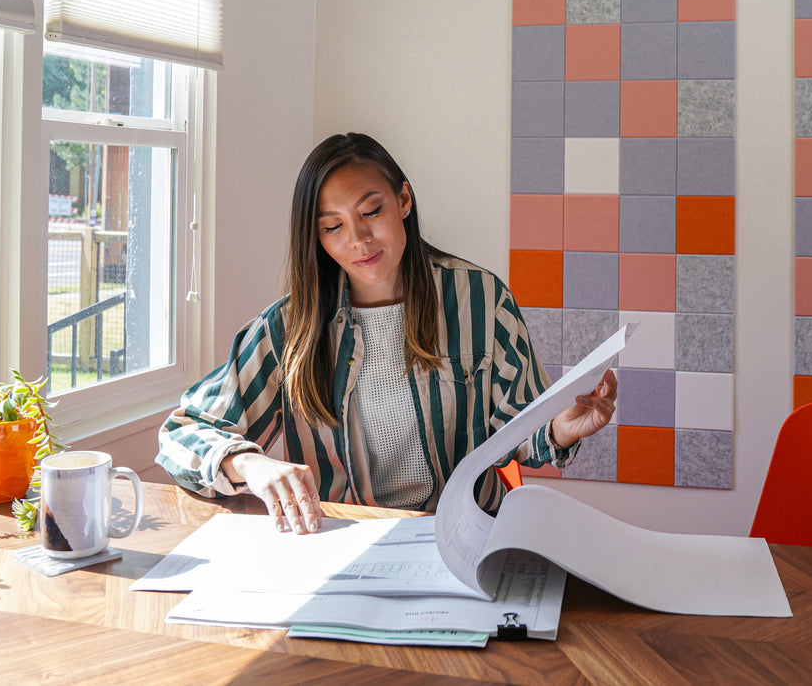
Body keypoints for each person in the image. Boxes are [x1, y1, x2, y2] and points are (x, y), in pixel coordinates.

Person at [157, 132, 617, 533]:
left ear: (403, 200)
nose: (358, 240)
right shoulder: (289, 327)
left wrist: (559, 429)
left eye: (371, 211)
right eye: (333, 227)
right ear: (316, 238)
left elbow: (516, 429)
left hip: (468, 530)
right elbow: (182, 432)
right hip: (345, 539)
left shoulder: (480, 299)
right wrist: (249, 463)